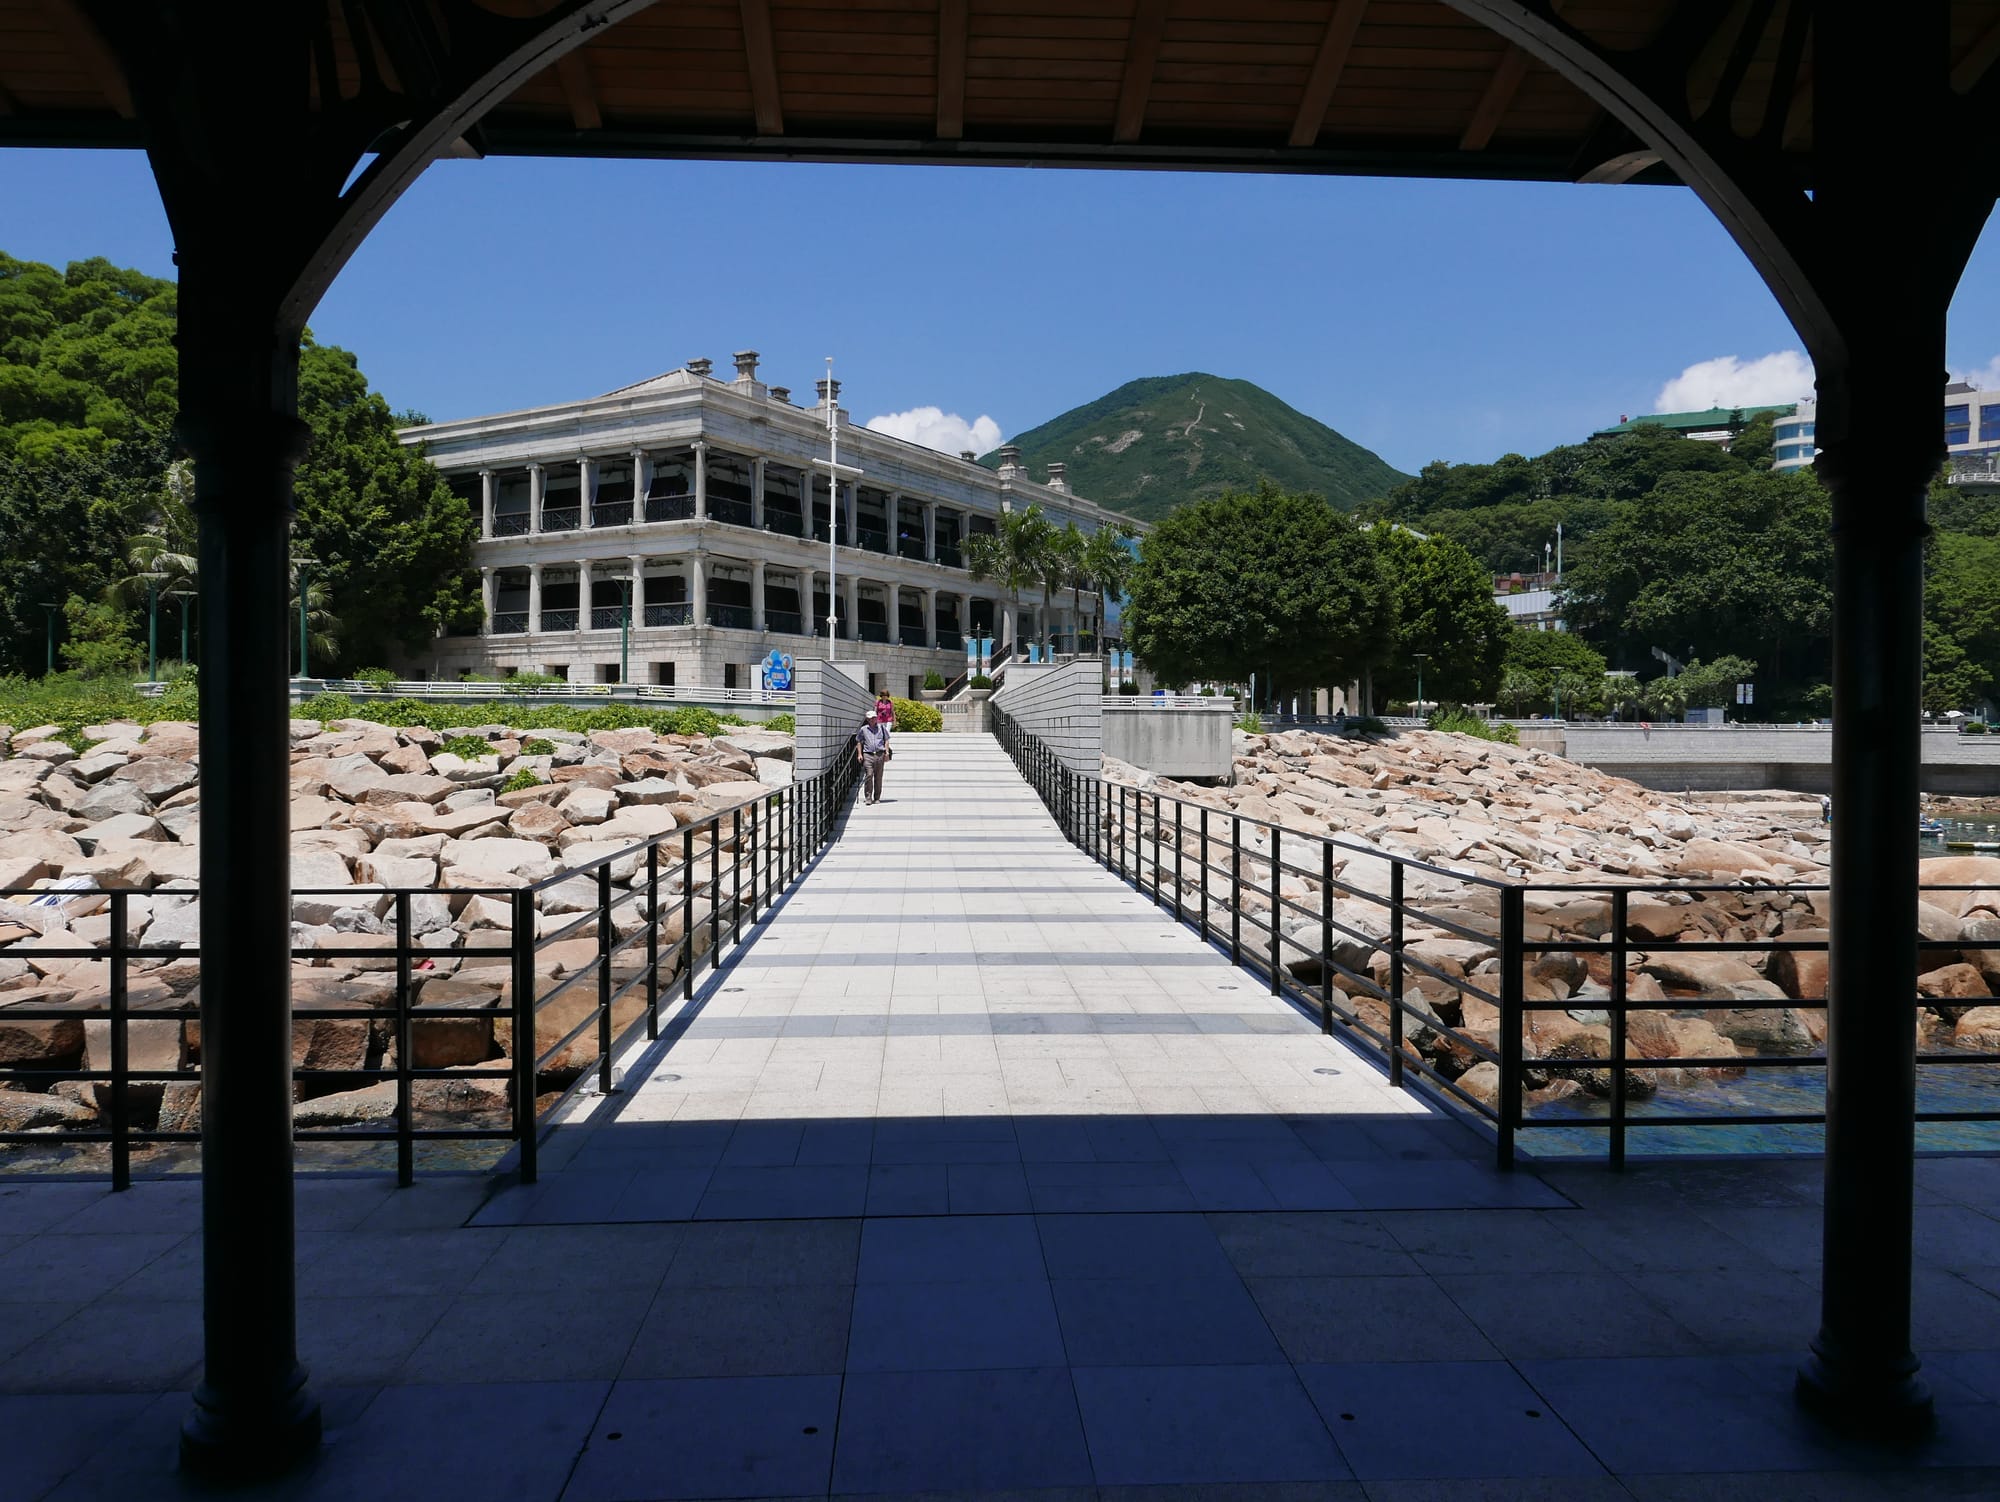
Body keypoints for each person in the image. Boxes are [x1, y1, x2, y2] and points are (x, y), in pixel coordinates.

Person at [856, 711, 891, 804]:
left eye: (874, 718)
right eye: (871, 718)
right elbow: (859, 741)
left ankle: (877, 797)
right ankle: (868, 797)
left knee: (878, 777)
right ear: (867, 719)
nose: (873, 720)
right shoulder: (863, 729)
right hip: (868, 754)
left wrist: (886, 752)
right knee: (869, 775)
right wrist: (859, 754)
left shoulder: (881, 728)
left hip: (880, 754)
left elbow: (886, 740)